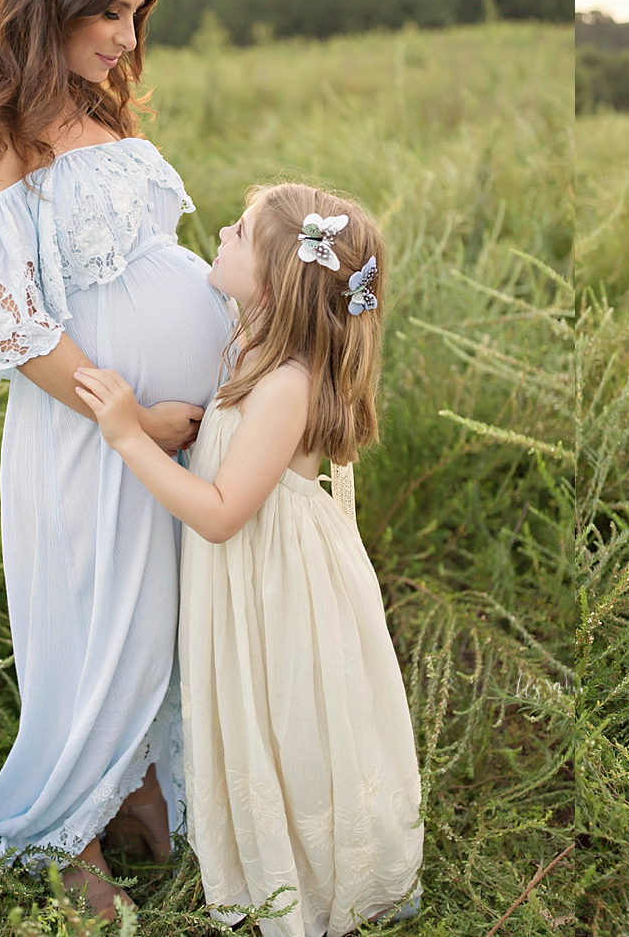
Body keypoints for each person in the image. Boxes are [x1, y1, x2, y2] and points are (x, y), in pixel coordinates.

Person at [0, 0, 234, 915]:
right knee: (102, 620)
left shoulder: (98, 108)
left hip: (175, 431)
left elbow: (158, 258)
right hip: (90, 431)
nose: (127, 36)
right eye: (112, 10)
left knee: (171, 618)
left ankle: (139, 788)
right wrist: (129, 415)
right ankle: (67, 832)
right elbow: (8, 319)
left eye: (138, 13)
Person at [72, 183, 424, 937]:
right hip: (252, 576)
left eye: (237, 231)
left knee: (289, 721)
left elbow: (225, 512)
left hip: (275, 583)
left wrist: (128, 434)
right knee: (262, 717)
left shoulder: (288, 385)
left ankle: (312, 876)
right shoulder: (253, 345)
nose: (222, 234)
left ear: (269, 280)